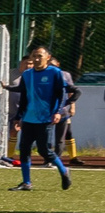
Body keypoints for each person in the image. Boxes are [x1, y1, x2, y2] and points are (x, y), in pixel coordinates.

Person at [9, 45, 77, 190]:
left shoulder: (55, 73)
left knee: (44, 151)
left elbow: (61, 94)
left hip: (45, 118)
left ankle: (64, 171)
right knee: (24, 148)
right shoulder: (27, 75)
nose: (37, 58)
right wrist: (18, 117)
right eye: (34, 56)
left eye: (40, 56)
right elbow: (24, 97)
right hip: (28, 118)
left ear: (47, 57)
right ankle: (26, 182)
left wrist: (58, 111)